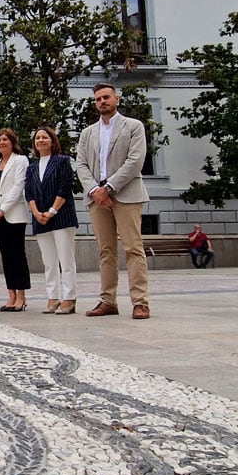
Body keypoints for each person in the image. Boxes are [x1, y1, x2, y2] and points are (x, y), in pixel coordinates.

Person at [76, 83, 151, 320]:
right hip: (97, 198)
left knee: (133, 248)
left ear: (116, 99)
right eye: (98, 99)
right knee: (105, 251)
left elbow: (135, 160)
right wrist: (95, 190)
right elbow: (81, 165)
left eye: (106, 97)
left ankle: (140, 302)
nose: (102, 102)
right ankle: (108, 300)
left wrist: (109, 187)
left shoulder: (133, 126)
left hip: (126, 195)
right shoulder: (88, 133)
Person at [24, 127, 79, 314]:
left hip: (61, 216)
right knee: (49, 261)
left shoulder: (62, 161)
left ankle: (69, 298)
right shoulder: (31, 167)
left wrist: (52, 211)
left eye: (44, 137)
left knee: (66, 259)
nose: (40, 140)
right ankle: (53, 296)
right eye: (37, 138)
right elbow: (29, 193)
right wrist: (37, 213)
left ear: (52, 141)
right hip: (40, 218)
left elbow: (65, 187)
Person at [0, 129, 31, 312]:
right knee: (6, 257)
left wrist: (2, 210)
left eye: (5, 140)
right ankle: (11, 294)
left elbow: (18, 186)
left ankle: (21, 295)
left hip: (13, 215)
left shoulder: (20, 160)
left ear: (12, 142)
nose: (1, 143)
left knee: (17, 255)